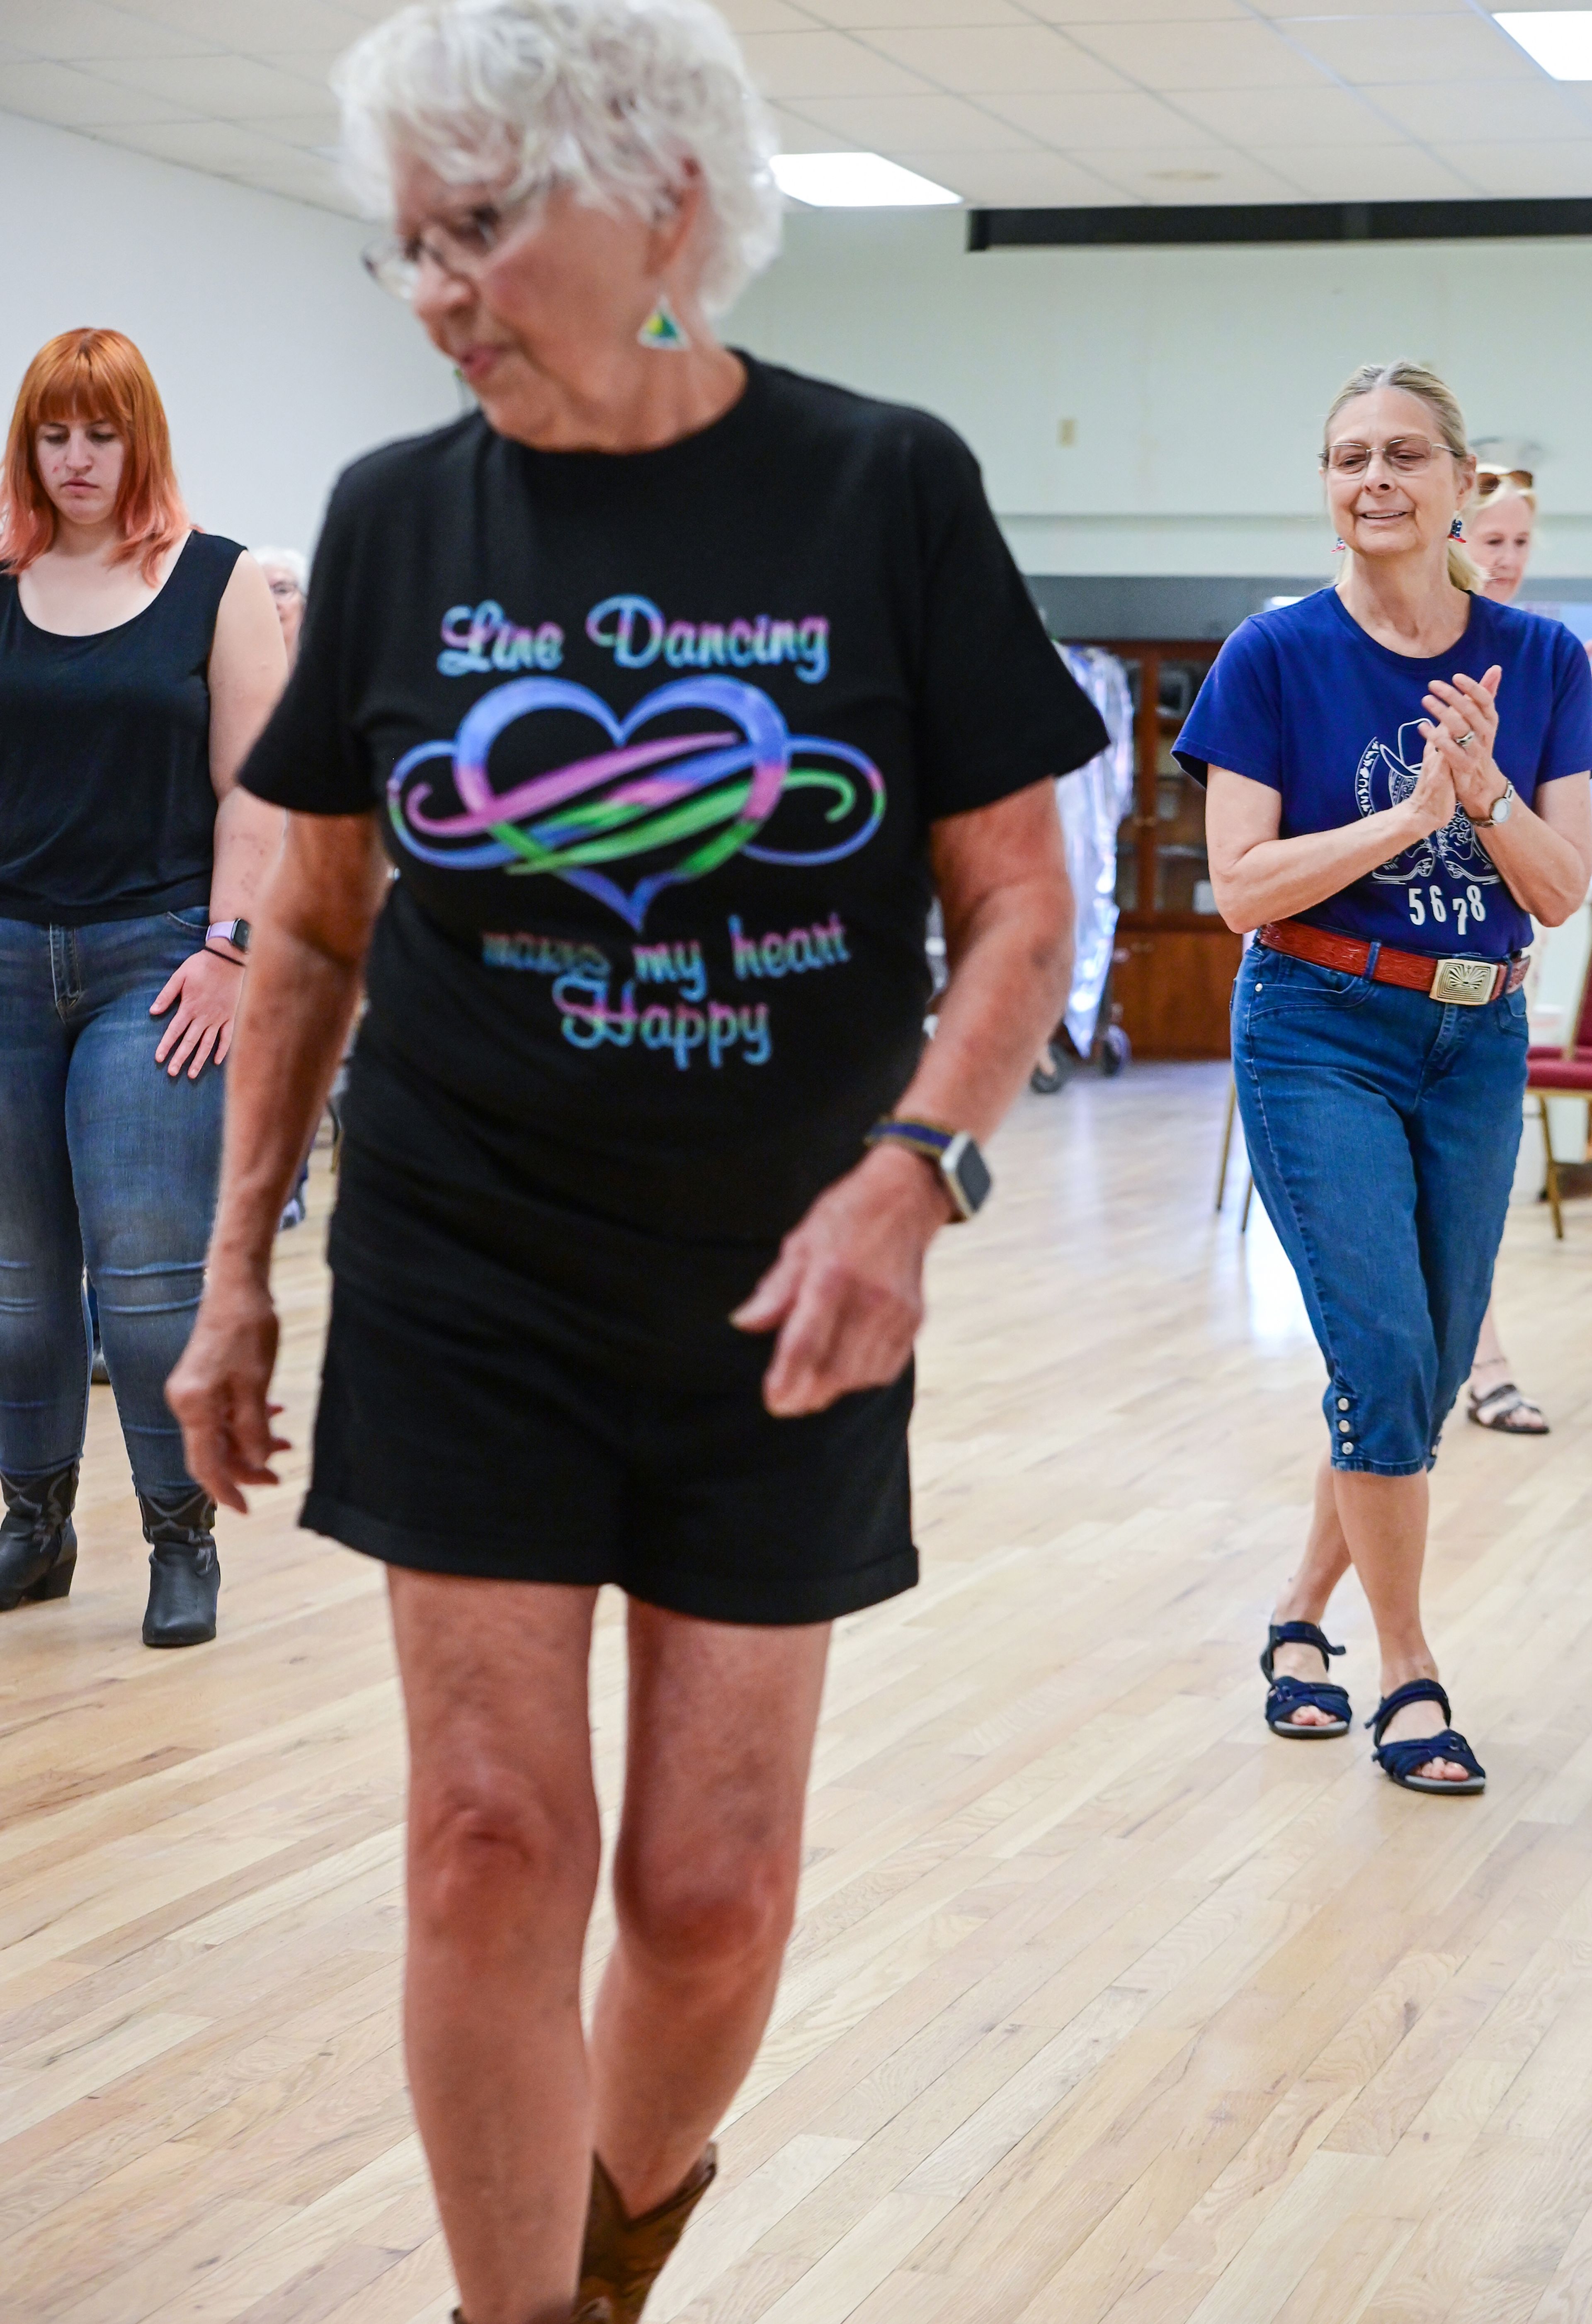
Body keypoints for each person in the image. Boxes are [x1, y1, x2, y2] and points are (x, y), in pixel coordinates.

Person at [165, 4, 1105, 2320]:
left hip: (786, 1291)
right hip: (469, 1262)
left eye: (483, 227)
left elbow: (1018, 906)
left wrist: (914, 1176)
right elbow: (311, 922)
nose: (440, 290)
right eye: (409, 247)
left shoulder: (881, 490)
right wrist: (235, 1268)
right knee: (491, 1842)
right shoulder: (400, 518)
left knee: (710, 1893)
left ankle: (607, 2247)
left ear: (664, 199)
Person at [1181, 360, 1591, 1795]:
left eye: (1404, 454)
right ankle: (1409, 1671)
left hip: (1476, 1038)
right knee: (1381, 1355)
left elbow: (1559, 889)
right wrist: (1407, 814)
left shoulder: (1543, 661)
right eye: (1348, 454)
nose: (1373, 478)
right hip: (1317, 1027)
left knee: (1408, 1375)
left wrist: (1478, 796)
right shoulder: (1274, 655)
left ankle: (1299, 1617)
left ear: (1460, 484)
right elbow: (1240, 886)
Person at [0, 328, 285, 1645]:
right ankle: (35, 1522)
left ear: (139, 441)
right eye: (55, 433)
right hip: (5, 960)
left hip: (159, 964)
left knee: (151, 1278)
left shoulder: (213, 582)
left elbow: (258, 787)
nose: (75, 459)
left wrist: (230, 951)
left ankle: (182, 1535)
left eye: (100, 433)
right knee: (14, 1281)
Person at [1462, 469, 1554, 1432]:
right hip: (1355, 988)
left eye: (1523, 543)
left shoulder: (1544, 663)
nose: (1507, 559)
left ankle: (1477, 1362)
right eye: (1493, 538)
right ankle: (1470, 1364)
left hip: (1491, 972)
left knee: (1465, 1212)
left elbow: (1558, 860)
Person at [253, 544, 315, 1225]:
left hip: (304, 886)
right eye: (261, 588)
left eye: (285, 590)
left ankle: (288, 1182)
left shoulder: (324, 688)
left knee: (293, 1039)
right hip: (244, 884)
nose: (272, 602)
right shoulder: (226, 672)